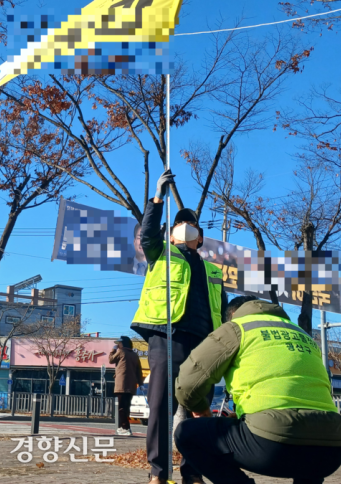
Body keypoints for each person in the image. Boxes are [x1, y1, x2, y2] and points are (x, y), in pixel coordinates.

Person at [174, 296, 341, 484]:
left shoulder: (236, 327)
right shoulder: (302, 334)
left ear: (231, 315)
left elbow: (187, 384)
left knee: (187, 433)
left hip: (272, 446)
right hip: (332, 450)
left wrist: (201, 410)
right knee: (309, 436)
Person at [131, 169, 227, 484]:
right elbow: (146, 235)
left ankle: (194, 472)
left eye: (192, 224)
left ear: (201, 237)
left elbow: (224, 309)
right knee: (160, 406)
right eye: (179, 223)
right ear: (170, 233)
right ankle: (158, 473)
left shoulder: (214, 270)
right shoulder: (161, 254)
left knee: (200, 409)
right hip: (166, 336)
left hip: (204, 344)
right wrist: (158, 197)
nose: (186, 227)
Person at [109, 335, 144, 436]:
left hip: (122, 384)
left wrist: (113, 350)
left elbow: (111, 360)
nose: (117, 345)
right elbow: (139, 370)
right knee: (126, 406)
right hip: (132, 385)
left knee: (121, 407)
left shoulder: (121, 352)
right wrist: (140, 383)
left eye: (118, 343)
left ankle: (125, 428)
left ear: (122, 343)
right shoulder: (134, 354)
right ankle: (121, 427)